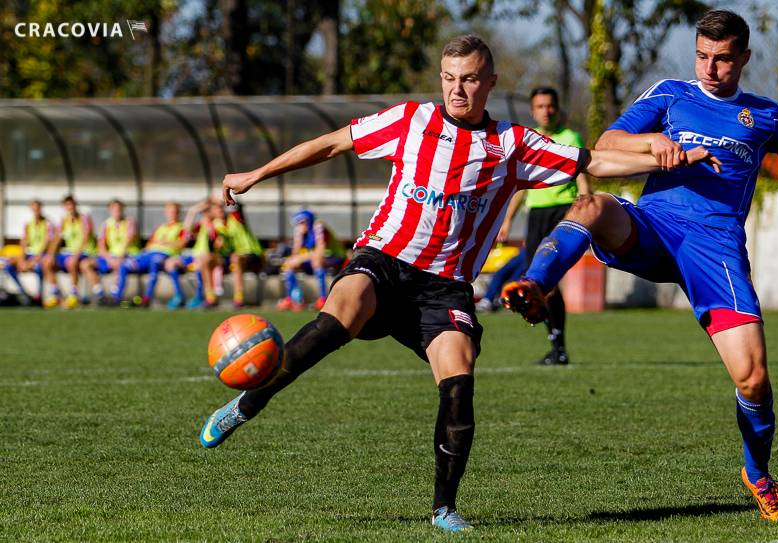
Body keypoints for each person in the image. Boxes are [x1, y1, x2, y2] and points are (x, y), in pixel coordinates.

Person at [197, 34, 719, 533]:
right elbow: (331, 144)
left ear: (489, 82)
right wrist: (253, 175)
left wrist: (670, 154)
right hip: (385, 259)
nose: (456, 89)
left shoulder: (512, 144)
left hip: (444, 287)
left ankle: (444, 508)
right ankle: (249, 404)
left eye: (469, 79)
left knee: (458, 377)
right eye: (448, 78)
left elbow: (594, 161)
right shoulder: (409, 121)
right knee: (340, 316)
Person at [501, 10, 778, 522]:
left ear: (743, 58)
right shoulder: (671, 93)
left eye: (721, 59)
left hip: (715, 250)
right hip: (652, 228)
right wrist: (658, 144)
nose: (709, 68)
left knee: (754, 380)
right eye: (701, 56)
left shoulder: (764, 115)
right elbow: (605, 145)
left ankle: (757, 472)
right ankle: (535, 285)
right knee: (592, 206)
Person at [498, 86, 592, 365]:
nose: (546, 111)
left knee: (548, 282)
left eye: (550, 106)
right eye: (540, 106)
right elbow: (520, 186)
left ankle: (559, 347)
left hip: (561, 213)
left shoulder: (569, 137)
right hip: (536, 214)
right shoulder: (530, 141)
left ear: (557, 107)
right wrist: (507, 220)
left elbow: (582, 171)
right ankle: (556, 347)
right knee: (536, 286)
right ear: (533, 110)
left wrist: (586, 201)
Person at [276, 209, 347, 312]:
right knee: (289, 265)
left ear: (308, 221)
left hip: (334, 256)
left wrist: (299, 258)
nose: (299, 226)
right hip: (314, 258)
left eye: (302, 222)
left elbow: (320, 251)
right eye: (298, 223)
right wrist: (294, 257)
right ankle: (295, 299)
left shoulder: (318, 227)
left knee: (316, 261)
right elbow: (295, 253)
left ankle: (323, 299)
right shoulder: (299, 231)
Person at [42, 195, 99, 309]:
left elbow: (86, 238)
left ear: (75, 205)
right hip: (70, 252)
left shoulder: (84, 218)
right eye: (67, 205)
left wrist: (76, 255)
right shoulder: (64, 220)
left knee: (71, 262)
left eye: (72, 204)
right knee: (46, 262)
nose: (70, 207)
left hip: (85, 252)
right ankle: (56, 294)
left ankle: (74, 294)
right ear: (64, 207)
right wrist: (51, 254)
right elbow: (57, 238)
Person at [129, 202, 187, 308]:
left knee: (155, 263)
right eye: (170, 211)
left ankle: (147, 298)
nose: (172, 214)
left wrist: (166, 243)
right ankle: (119, 299)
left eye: (174, 211)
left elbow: (182, 243)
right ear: (165, 213)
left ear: (178, 213)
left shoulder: (181, 227)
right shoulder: (160, 228)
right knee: (126, 264)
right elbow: (149, 244)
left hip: (167, 256)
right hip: (151, 254)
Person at [89, 199, 140, 304]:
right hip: (111, 257)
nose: (117, 211)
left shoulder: (130, 222)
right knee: (86, 264)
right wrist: (109, 259)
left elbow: (129, 241)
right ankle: (100, 294)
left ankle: (115, 296)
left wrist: (119, 257)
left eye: (119, 209)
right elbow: (101, 245)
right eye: (114, 209)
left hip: (128, 256)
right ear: (110, 210)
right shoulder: (106, 224)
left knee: (121, 265)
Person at [1, 199, 52, 302]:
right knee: (9, 266)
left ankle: (39, 295)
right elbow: (24, 242)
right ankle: (24, 293)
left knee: (38, 267)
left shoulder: (47, 223)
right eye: (34, 209)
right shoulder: (28, 224)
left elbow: (48, 243)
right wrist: (22, 259)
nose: (36, 211)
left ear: (40, 209)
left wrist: (35, 259)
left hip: (41, 255)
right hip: (30, 254)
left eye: (37, 208)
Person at [220, 202, 263, 308]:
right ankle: (209, 295)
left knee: (236, 258)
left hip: (252, 253)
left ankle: (239, 296)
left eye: (221, 209)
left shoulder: (235, 218)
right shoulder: (217, 225)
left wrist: (228, 193)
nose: (220, 211)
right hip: (234, 257)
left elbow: (237, 208)